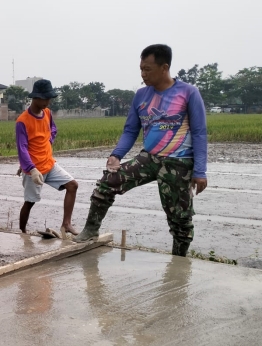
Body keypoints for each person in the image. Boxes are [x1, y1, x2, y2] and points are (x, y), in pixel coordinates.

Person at [73, 44, 208, 257]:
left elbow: (200, 133)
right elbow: (130, 130)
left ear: (164, 68)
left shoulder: (188, 93)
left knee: (179, 217)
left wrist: (200, 171)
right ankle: (91, 229)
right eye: (141, 69)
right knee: (109, 181)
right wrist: (116, 155)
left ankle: (179, 258)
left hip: (179, 162)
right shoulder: (141, 95)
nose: (143, 74)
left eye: (148, 69)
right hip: (150, 158)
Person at [16, 79, 79, 238]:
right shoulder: (22, 121)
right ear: (36, 98)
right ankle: (22, 232)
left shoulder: (48, 113)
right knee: (30, 202)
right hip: (34, 170)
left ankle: (66, 224)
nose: (48, 101)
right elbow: (22, 148)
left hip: (49, 164)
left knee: (72, 185)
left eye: (49, 98)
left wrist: (47, 143)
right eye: (46, 98)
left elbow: (53, 129)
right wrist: (30, 168)